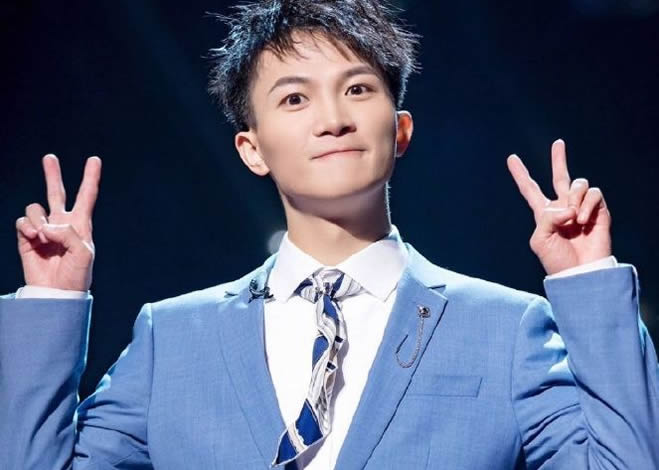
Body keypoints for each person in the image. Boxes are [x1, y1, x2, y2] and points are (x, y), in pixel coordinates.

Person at [1, 0, 657, 469]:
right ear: (251, 149)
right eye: (294, 98)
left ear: (400, 130)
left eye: (358, 89)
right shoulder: (171, 338)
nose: (333, 119)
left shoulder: (506, 329)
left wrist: (586, 278)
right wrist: (52, 299)